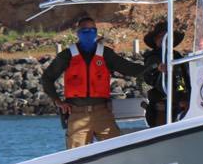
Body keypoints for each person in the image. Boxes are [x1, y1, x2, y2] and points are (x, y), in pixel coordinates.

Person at [40, 15, 140, 148]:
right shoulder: (67, 55)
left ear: (96, 32)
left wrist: (154, 68)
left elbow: (129, 68)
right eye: (85, 31)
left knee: (117, 150)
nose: (88, 33)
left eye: (92, 30)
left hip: (103, 113)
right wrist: (58, 101)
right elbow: (47, 78)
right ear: (78, 33)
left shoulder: (105, 54)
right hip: (77, 114)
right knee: (76, 156)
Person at [141, 19, 190, 127]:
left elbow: (181, 79)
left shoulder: (176, 56)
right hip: (162, 106)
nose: (165, 39)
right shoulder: (152, 57)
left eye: (168, 36)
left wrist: (184, 98)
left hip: (180, 103)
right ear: (155, 40)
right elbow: (148, 74)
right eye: (161, 36)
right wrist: (158, 68)